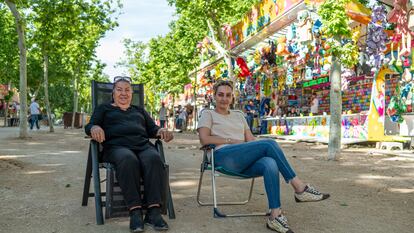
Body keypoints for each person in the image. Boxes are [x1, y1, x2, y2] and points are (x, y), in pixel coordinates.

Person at [197, 80, 330, 233]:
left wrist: (254, 147)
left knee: (269, 163)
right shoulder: (208, 114)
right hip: (222, 157)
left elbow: (251, 141)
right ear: (214, 96)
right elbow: (204, 139)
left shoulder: (239, 115)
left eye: (228, 95)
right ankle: (299, 188)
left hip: (243, 158)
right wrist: (230, 141)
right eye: (220, 95)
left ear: (232, 97)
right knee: (268, 143)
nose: (224, 98)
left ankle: (275, 215)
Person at [85, 76, 173, 232]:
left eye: (127, 90)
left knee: (153, 158)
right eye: (119, 89)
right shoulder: (104, 109)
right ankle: (135, 211)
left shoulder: (139, 111)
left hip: (142, 146)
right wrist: (95, 128)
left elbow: (153, 129)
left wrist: (162, 131)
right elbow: (90, 125)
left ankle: (153, 211)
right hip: (116, 147)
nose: (123, 93)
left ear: (132, 94)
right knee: (128, 159)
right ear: (113, 93)